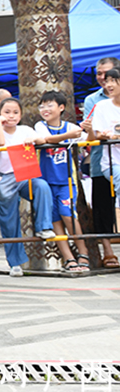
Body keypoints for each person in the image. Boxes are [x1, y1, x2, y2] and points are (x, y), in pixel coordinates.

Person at [0, 97, 56, 276]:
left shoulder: (26, 129)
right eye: (7, 112)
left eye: (15, 112)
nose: (11, 116)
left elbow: (41, 140)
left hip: (25, 173)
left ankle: (44, 226)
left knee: (42, 186)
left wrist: (32, 139)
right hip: (4, 177)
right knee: (9, 220)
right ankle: (15, 263)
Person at [34, 90, 90, 272]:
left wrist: (88, 130)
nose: (45, 109)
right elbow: (46, 139)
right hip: (46, 181)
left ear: (61, 108)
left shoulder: (70, 126)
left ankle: (83, 252)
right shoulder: (40, 125)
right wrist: (69, 136)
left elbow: (87, 140)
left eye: (50, 105)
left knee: (68, 214)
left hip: (66, 180)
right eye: (42, 105)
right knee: (55, 219)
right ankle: (69, 258)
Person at [81, 57, 120, 268]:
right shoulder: (94, 101)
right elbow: (92, 134)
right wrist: (92, 131)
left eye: (108, 75)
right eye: (100, 75)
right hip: (101, 159)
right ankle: (108, 251)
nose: (104, 80)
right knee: (102, 205)